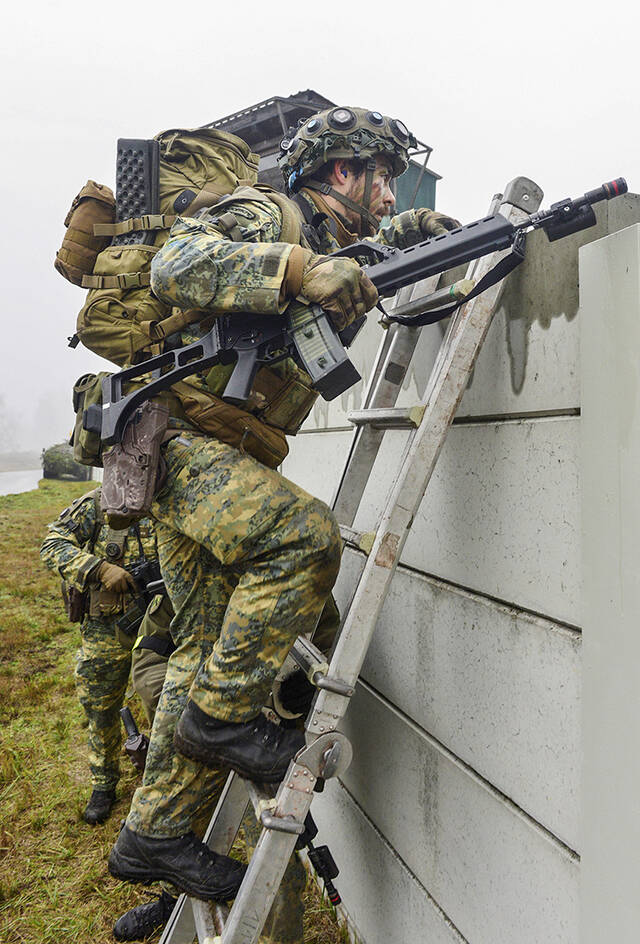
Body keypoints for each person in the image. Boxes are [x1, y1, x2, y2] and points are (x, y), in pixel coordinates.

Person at [108, 106, 459, 900]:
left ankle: (152, 838)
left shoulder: (335, 240)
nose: (389, 189)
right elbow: (177, 265)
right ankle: (224, 722)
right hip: (176, 438)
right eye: (384, 178)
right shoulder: (269, 214)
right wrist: (297, 271)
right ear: (343, 173)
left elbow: (362, 254)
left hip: (213, 452)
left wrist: (414, 228)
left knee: (200, 652)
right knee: (304, 540)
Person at [114, 593, 334, 942]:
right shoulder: (195, 577)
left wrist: (294, 697)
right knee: (186, 852)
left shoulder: (298, 579)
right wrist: (212, 719)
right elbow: (150, 667)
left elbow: (323, 658)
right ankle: (172, 903)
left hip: (262, 753)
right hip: (193, 754)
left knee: (275, 873)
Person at [40, 487, 160, 824]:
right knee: (101, 708)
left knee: (165, 704)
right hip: (106, 629)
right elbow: (52, 544)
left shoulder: (171, 501)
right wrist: (99, 568)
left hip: (164, 628)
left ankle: (162, 781)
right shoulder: (100, 502)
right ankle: (104, 783)